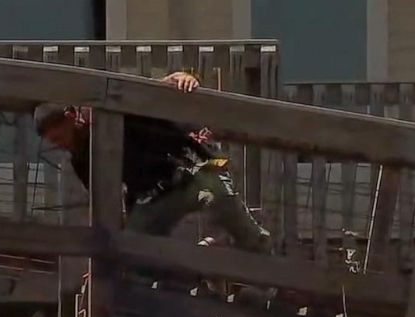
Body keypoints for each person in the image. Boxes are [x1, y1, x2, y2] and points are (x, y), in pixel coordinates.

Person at [33, 71, 272, 259]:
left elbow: (147, 93)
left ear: (71, 118)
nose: (60, 145)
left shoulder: (110, 109)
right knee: (130, 252)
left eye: (59, 137)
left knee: (221, 198)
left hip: (190, 172)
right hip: (152, 197)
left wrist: (177, 79)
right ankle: (175, 282)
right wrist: (109, 250)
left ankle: (268, 266)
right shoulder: (80, 157)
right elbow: (104, 201)